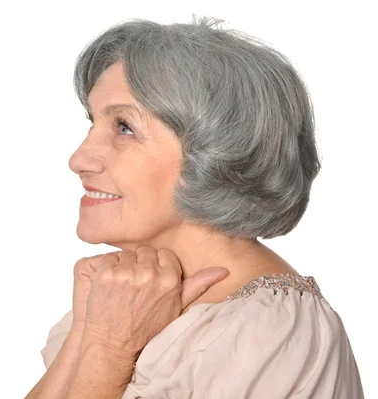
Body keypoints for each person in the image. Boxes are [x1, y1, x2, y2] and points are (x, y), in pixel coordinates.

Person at [25, 16, 364, 399]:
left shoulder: (266, 335)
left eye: (124, 127)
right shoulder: (121, 302)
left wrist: (109, 349)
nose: (80, 158)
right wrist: (91, 329)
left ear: (220, 155)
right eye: (92, 123)